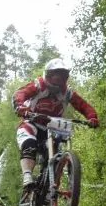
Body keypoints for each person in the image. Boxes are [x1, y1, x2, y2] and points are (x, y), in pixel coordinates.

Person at [12, 58, 99, 189]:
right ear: (48, 75)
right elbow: (20, 93)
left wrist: (92, 117)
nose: (57, 81)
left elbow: (83, 105)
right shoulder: (38, 85)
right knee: (29, 144)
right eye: (55, 77)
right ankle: (27, 174)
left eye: (61, 78)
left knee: (56, 157)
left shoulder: (67, 92)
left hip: (52, 128)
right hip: (31, 122)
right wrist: (19, 106)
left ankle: (50, 190)